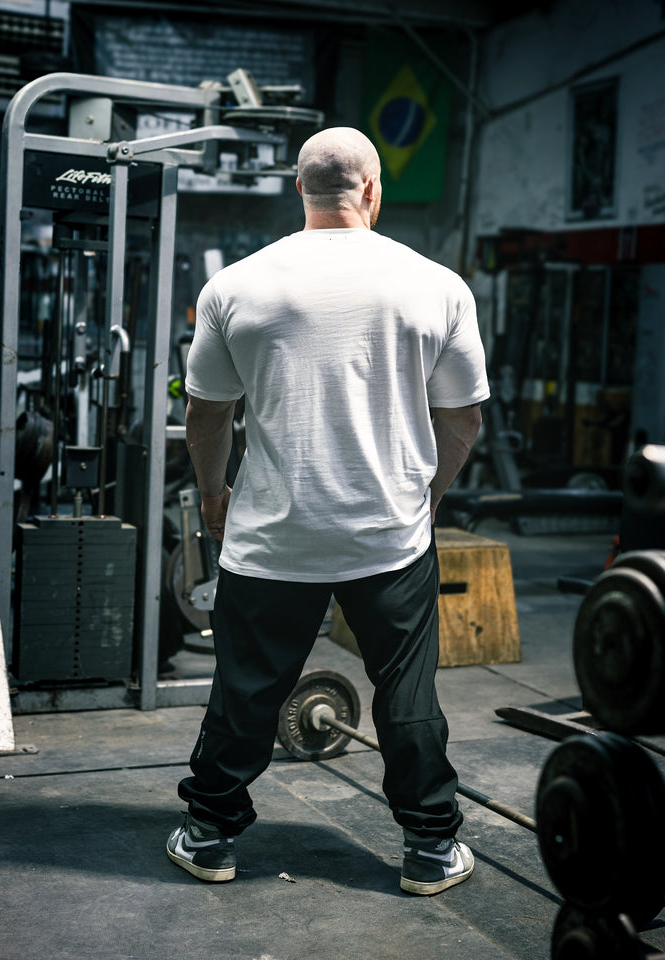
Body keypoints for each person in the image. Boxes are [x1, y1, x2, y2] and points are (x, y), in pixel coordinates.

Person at [167, 126, 490, 895]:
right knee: (407, 695)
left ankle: (210, 834)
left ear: (299, 189)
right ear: (373, 190)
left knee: (246, 689)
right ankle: (430, 849)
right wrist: (430, 492)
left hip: (271, 536)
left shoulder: (237, 285)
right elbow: (463, 419)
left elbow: (206, 416)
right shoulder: (436, 284)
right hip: (389, 535)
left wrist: (215, 493)